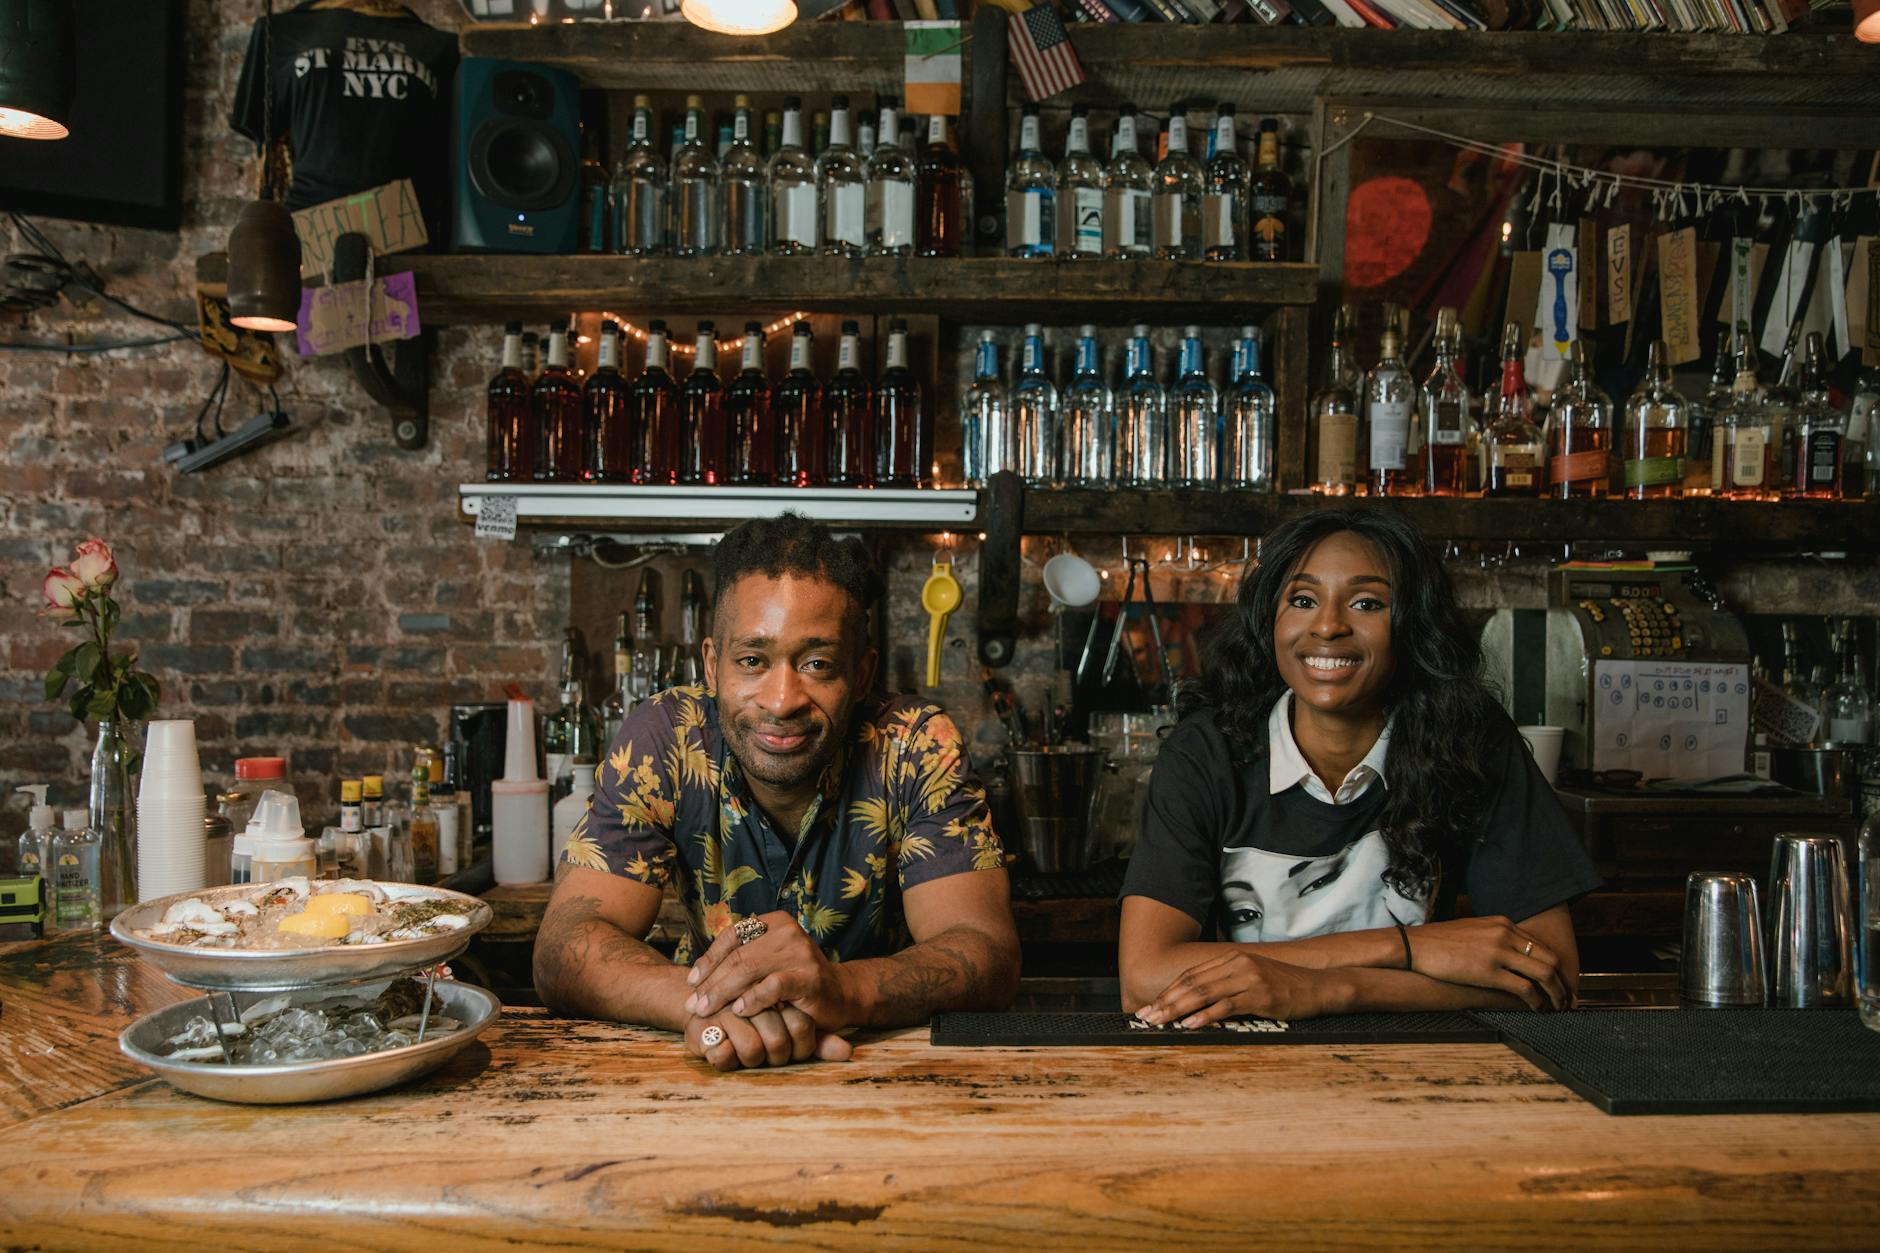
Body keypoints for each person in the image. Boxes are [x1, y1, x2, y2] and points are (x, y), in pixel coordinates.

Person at [535, 513, 1020, 1070]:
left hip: (879, 1067)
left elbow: (987, 951)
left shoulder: (915, 745)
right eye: (752, 661)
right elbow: (563, 946)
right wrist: (708, 1006)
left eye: (817, 663)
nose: (782, 698)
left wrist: (842, 989)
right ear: (712, 666)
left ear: (861, 676)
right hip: (710, 1061)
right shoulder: (666, 738)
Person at [1120, 509, 1601, 1025]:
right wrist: (1412, 949)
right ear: (1270, 621)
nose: (1328, 626)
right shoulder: (1209, 752)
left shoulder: (1471, 742)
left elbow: (1552, 974)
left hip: (1425, 1069)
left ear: (1412, 625)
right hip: (1246, 1065)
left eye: (1367, 603)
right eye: (1302, 600)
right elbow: (1145, 977)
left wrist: (1331, 990)